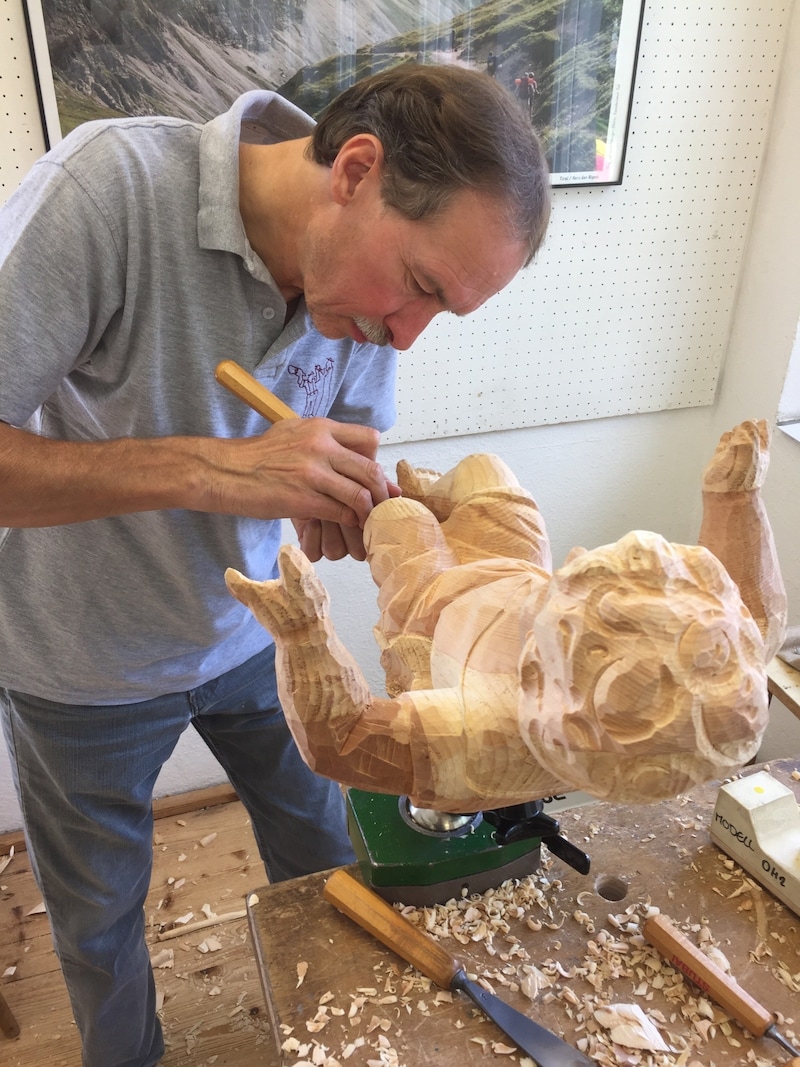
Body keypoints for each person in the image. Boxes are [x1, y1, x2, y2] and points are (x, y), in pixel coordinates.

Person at [0, 63, 550, 1066]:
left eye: (443, 313)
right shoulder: (107, 192)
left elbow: (324, 456)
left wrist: (338, 510)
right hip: (81, 660)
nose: (406, 335)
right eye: (421, 286)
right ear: (354, 169)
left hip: (254, 632)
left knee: (329, 844)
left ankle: (355, 1041)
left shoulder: (366, 303)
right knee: (99, 925)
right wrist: (217, 465)